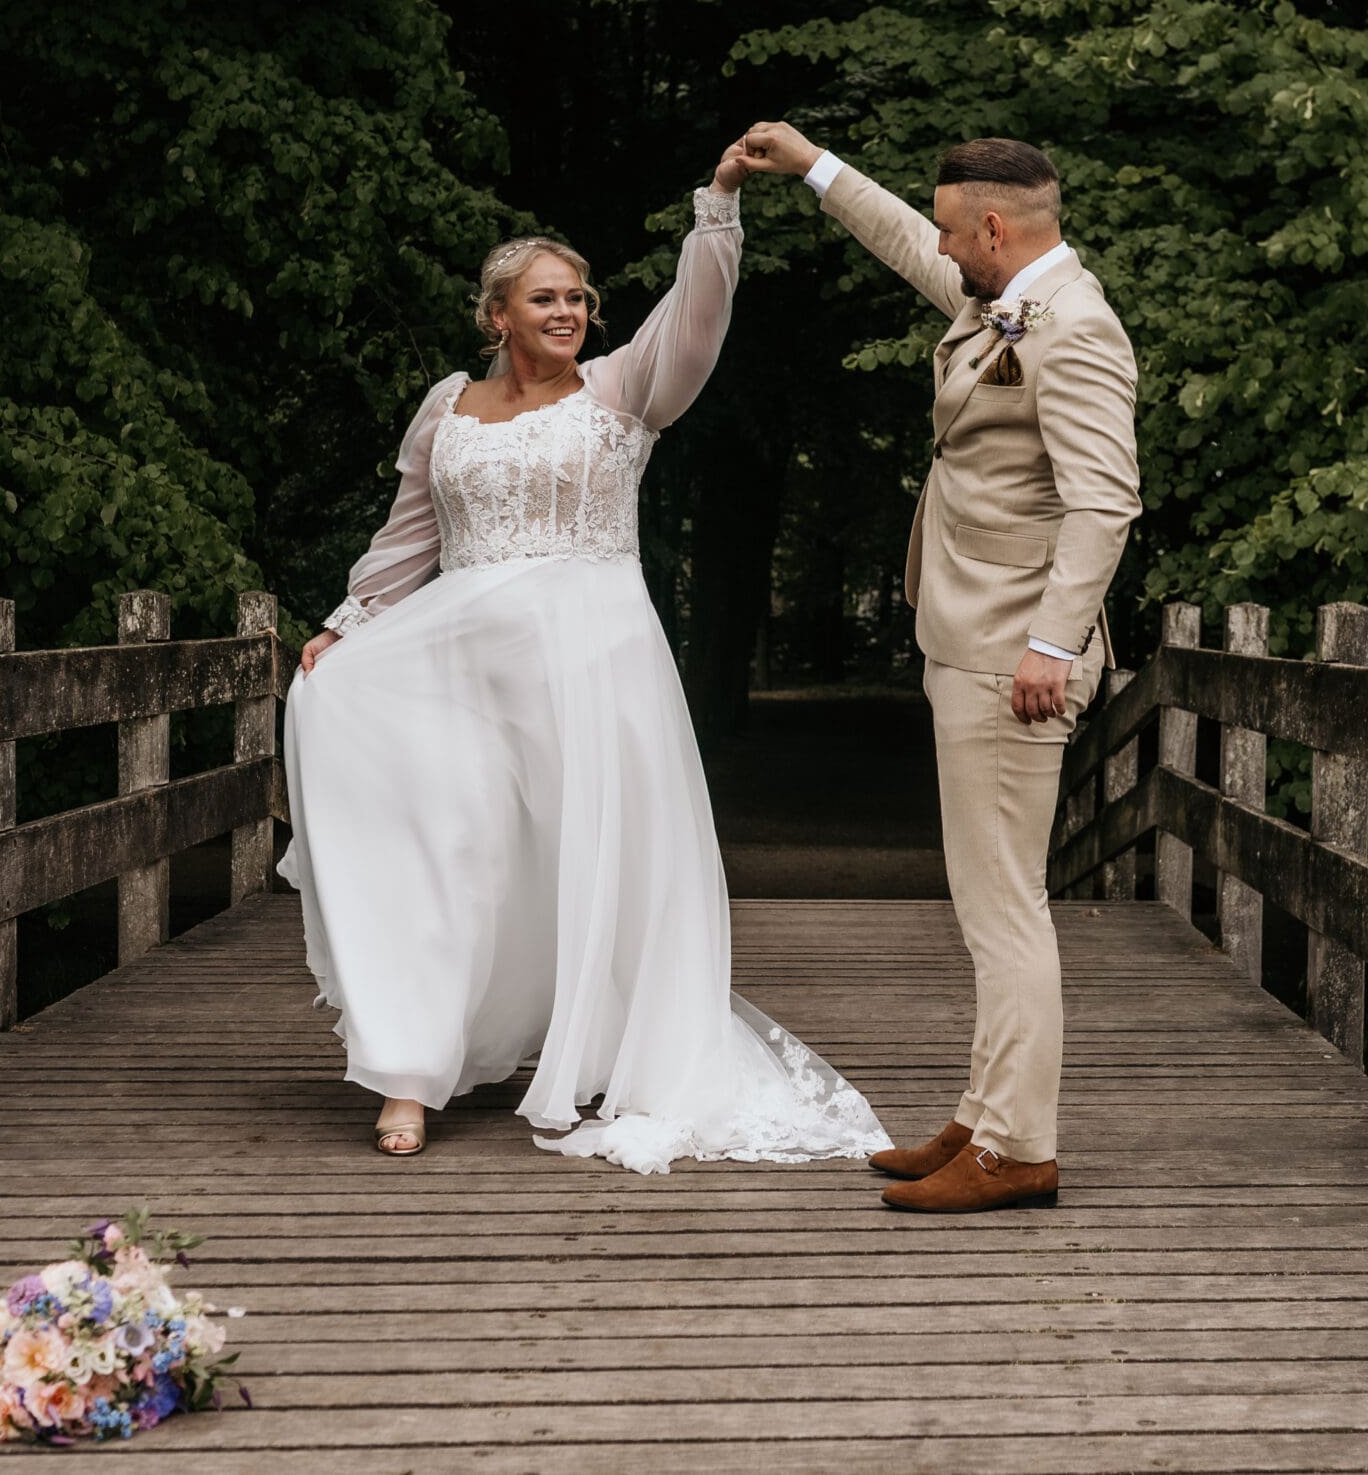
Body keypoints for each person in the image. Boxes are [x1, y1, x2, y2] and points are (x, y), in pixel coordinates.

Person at [277, 141, 890, 1173]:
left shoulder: (622, 389)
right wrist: (350, 620)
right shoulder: (447, 408)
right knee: (452, 857)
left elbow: (696, 319)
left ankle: (620, 1053)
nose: (567, 312)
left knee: (604, 864)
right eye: (545, 299)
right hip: (460, 670)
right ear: (497, 316)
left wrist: (720, 205)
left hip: (594, 664)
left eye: (578, 297)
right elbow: (410, 535)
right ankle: (406, 1071)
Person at [734, 123, 1141, 1213]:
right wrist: (813, 166)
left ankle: (1017, 1148)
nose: (944, 248)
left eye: (957, 232)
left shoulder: (1075, 329)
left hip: (1015, 654)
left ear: (996, 228)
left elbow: (1104, 503)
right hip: (970, 636)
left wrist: (1051, 644)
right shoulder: (1001, 295)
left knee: (1004, 906)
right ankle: (983, 1113)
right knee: (984, 901)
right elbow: (910, 243)